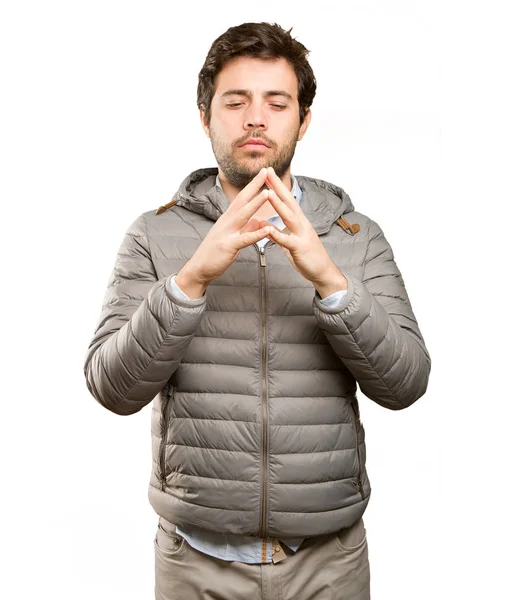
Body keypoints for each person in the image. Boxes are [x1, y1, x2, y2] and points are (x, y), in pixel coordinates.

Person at [83, 21, 431, 600]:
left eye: (277, 102)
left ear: (304, 119)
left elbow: (406, 383)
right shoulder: (153, 235)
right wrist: (191, 277)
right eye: (235, 101)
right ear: (205, 114)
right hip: (195, 563)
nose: (255, 118)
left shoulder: (356, 237)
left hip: (329, 562)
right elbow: (111, 389)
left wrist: (328, 277)